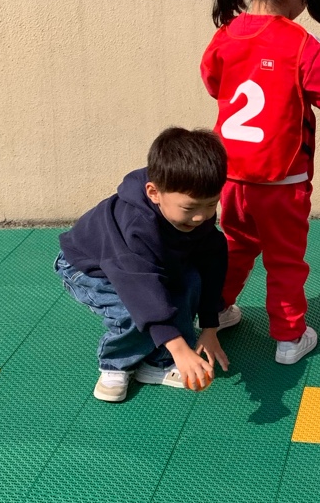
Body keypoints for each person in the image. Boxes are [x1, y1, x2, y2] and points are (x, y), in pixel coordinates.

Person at [201, 0, 320, 365]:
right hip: (283, 178)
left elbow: (212, 81)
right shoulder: (301, 44)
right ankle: (288, 337)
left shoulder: (226, 35)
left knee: (235, 244)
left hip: (231, 174)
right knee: (285, 260)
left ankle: (218, 310)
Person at [56, 126, 230, 402]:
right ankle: (115, 364)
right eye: (189, 208)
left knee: (188, 281)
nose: (201, 217)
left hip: (147, 267)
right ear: (153, 192)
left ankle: (156, 364)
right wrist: (179, 349)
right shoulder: (136, 227)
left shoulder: (193, 212)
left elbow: (212, 263)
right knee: (131, 311)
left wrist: (210, 326)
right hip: (90, 269)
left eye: (212, 205)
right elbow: (140, 291)